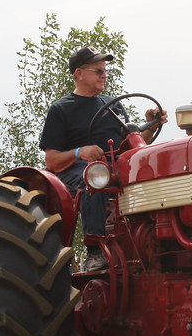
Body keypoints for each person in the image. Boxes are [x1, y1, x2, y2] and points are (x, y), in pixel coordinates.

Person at [38, 46, 166, 271]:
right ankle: (94, 250)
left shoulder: (112, 105)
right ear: (79, 73)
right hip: (77, 169)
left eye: (105, 71)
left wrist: (152, 125)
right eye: (98, 71)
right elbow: (52, 161)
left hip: (113, 165)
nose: (104, 75)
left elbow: (133, 146)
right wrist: (80, 152)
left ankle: (157, 242)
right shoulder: (60, 110)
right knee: (96, 177)